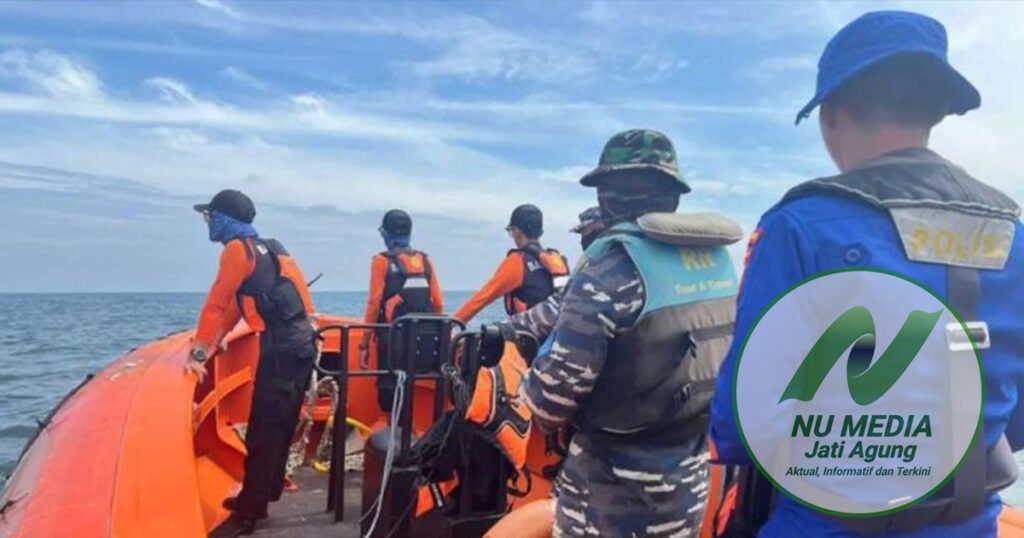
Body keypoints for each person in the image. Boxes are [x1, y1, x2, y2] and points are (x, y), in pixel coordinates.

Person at [710, 11, 1024, 538]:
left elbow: (743, 424)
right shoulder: (1012, 233)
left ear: (831, 114)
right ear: (935, 110)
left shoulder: (800, 226)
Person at [519, 129, 741, 537]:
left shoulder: (611, 266)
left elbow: (550, 403)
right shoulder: (718, 261)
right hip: (690, 483)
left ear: (608, 197)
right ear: (673, 196)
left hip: (609, 497)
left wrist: (525, 381)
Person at [185, 189, 318, 537]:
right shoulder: (270, 247)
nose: (208, 223)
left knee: (263, 431)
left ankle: (251, 510)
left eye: (210, 216)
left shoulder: (235, 249)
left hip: (282, 349)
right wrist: (218, 337)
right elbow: (238, 304)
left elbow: (217, 302)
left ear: (224, 219)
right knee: (282, 423)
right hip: (301, 344)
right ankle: (269, 489)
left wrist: (198, 353)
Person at [358, 209, 444, 413]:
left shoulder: (381, 261)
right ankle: (409, 428)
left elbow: (374, 302)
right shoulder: (425, 260)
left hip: (392, 345)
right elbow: (439, 303)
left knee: (390, 395)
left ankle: (393, 429)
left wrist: (364, 344)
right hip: (422, 346)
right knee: (411, 387)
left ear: (385, 234)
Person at [453, 204, 570, 323]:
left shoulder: (518, 261)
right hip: (556, 330)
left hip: (528, 332)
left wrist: (454, 322)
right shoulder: (558, 260)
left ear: (518, 231)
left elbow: (484, 297)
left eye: (512, 230)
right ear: (540, 232)